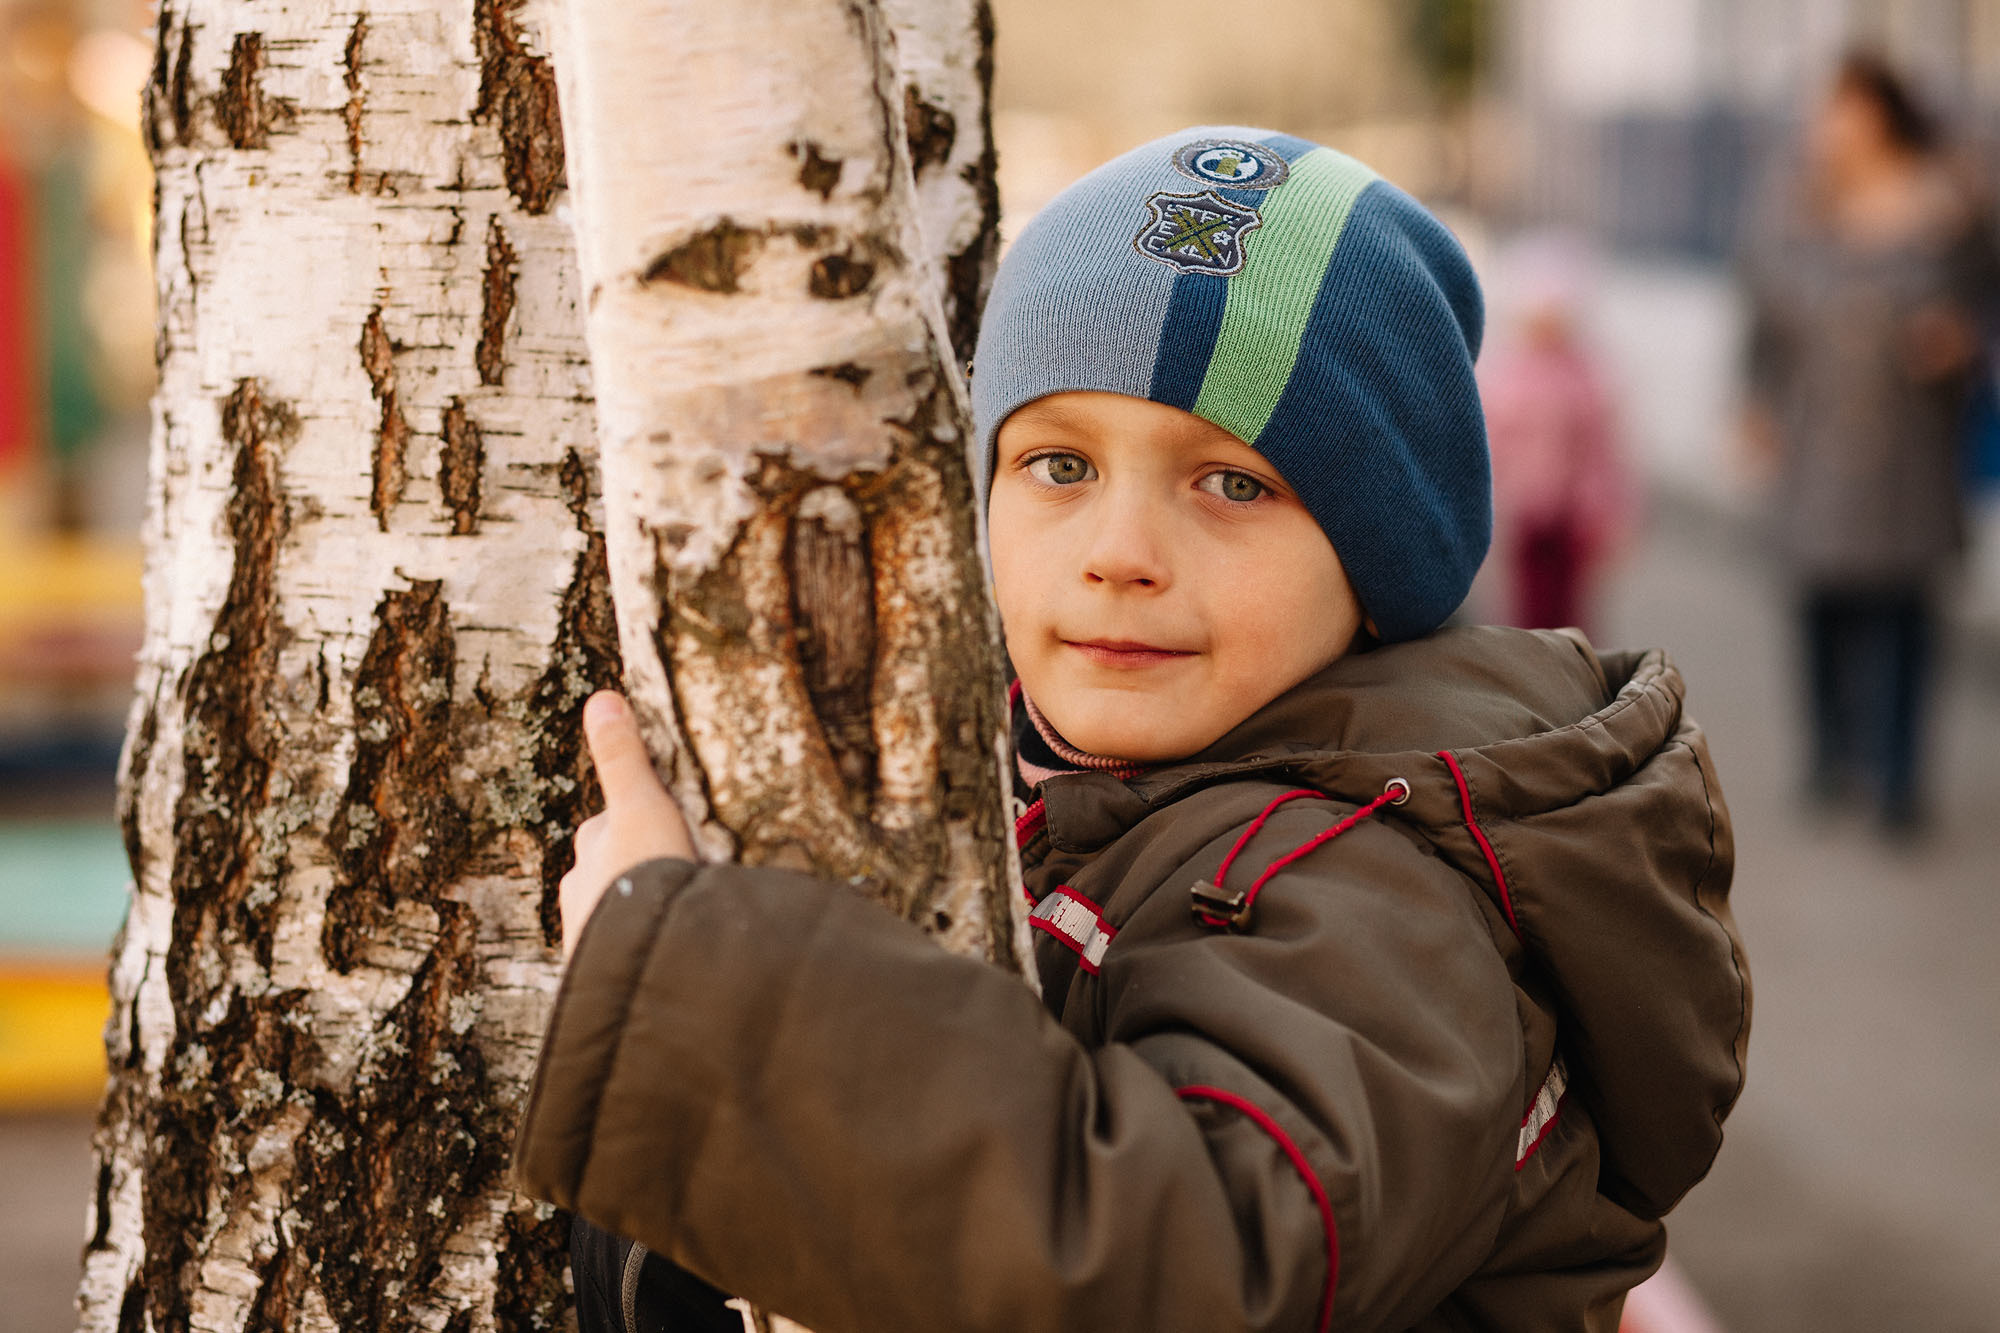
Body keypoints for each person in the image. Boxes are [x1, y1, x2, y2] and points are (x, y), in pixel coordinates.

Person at [512, 128, 1751, 1332]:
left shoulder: (1379, 884)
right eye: (1058, 465)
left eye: (1230, 484)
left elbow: (1197, 1259)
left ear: (1382, 558)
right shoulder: (1075, 777)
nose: (1116, 554)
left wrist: (692, 990)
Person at [1742, 52, 2000, 833]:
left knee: (1906, 605)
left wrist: (1965, 344)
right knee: (1820, 597)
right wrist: (1754, 401)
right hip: (1817, 431)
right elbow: (1760, 312)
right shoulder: (1794, 204)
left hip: (1910, 440)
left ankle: (1897, 778)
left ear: (1879, 113)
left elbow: (1986, 303)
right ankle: (1831, 755)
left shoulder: (1948, 208)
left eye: (1840, 109)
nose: (1825, 127)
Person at [1478, 235, 1632, 634]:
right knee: (1527, 607)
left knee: (1571, 612)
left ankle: (1570, 674)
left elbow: (1603, 455)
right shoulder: (1508, 376)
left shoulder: (1588, 377)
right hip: (1524, 514)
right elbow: (1490, 444)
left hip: (1572, 517)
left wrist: (1606, 512)